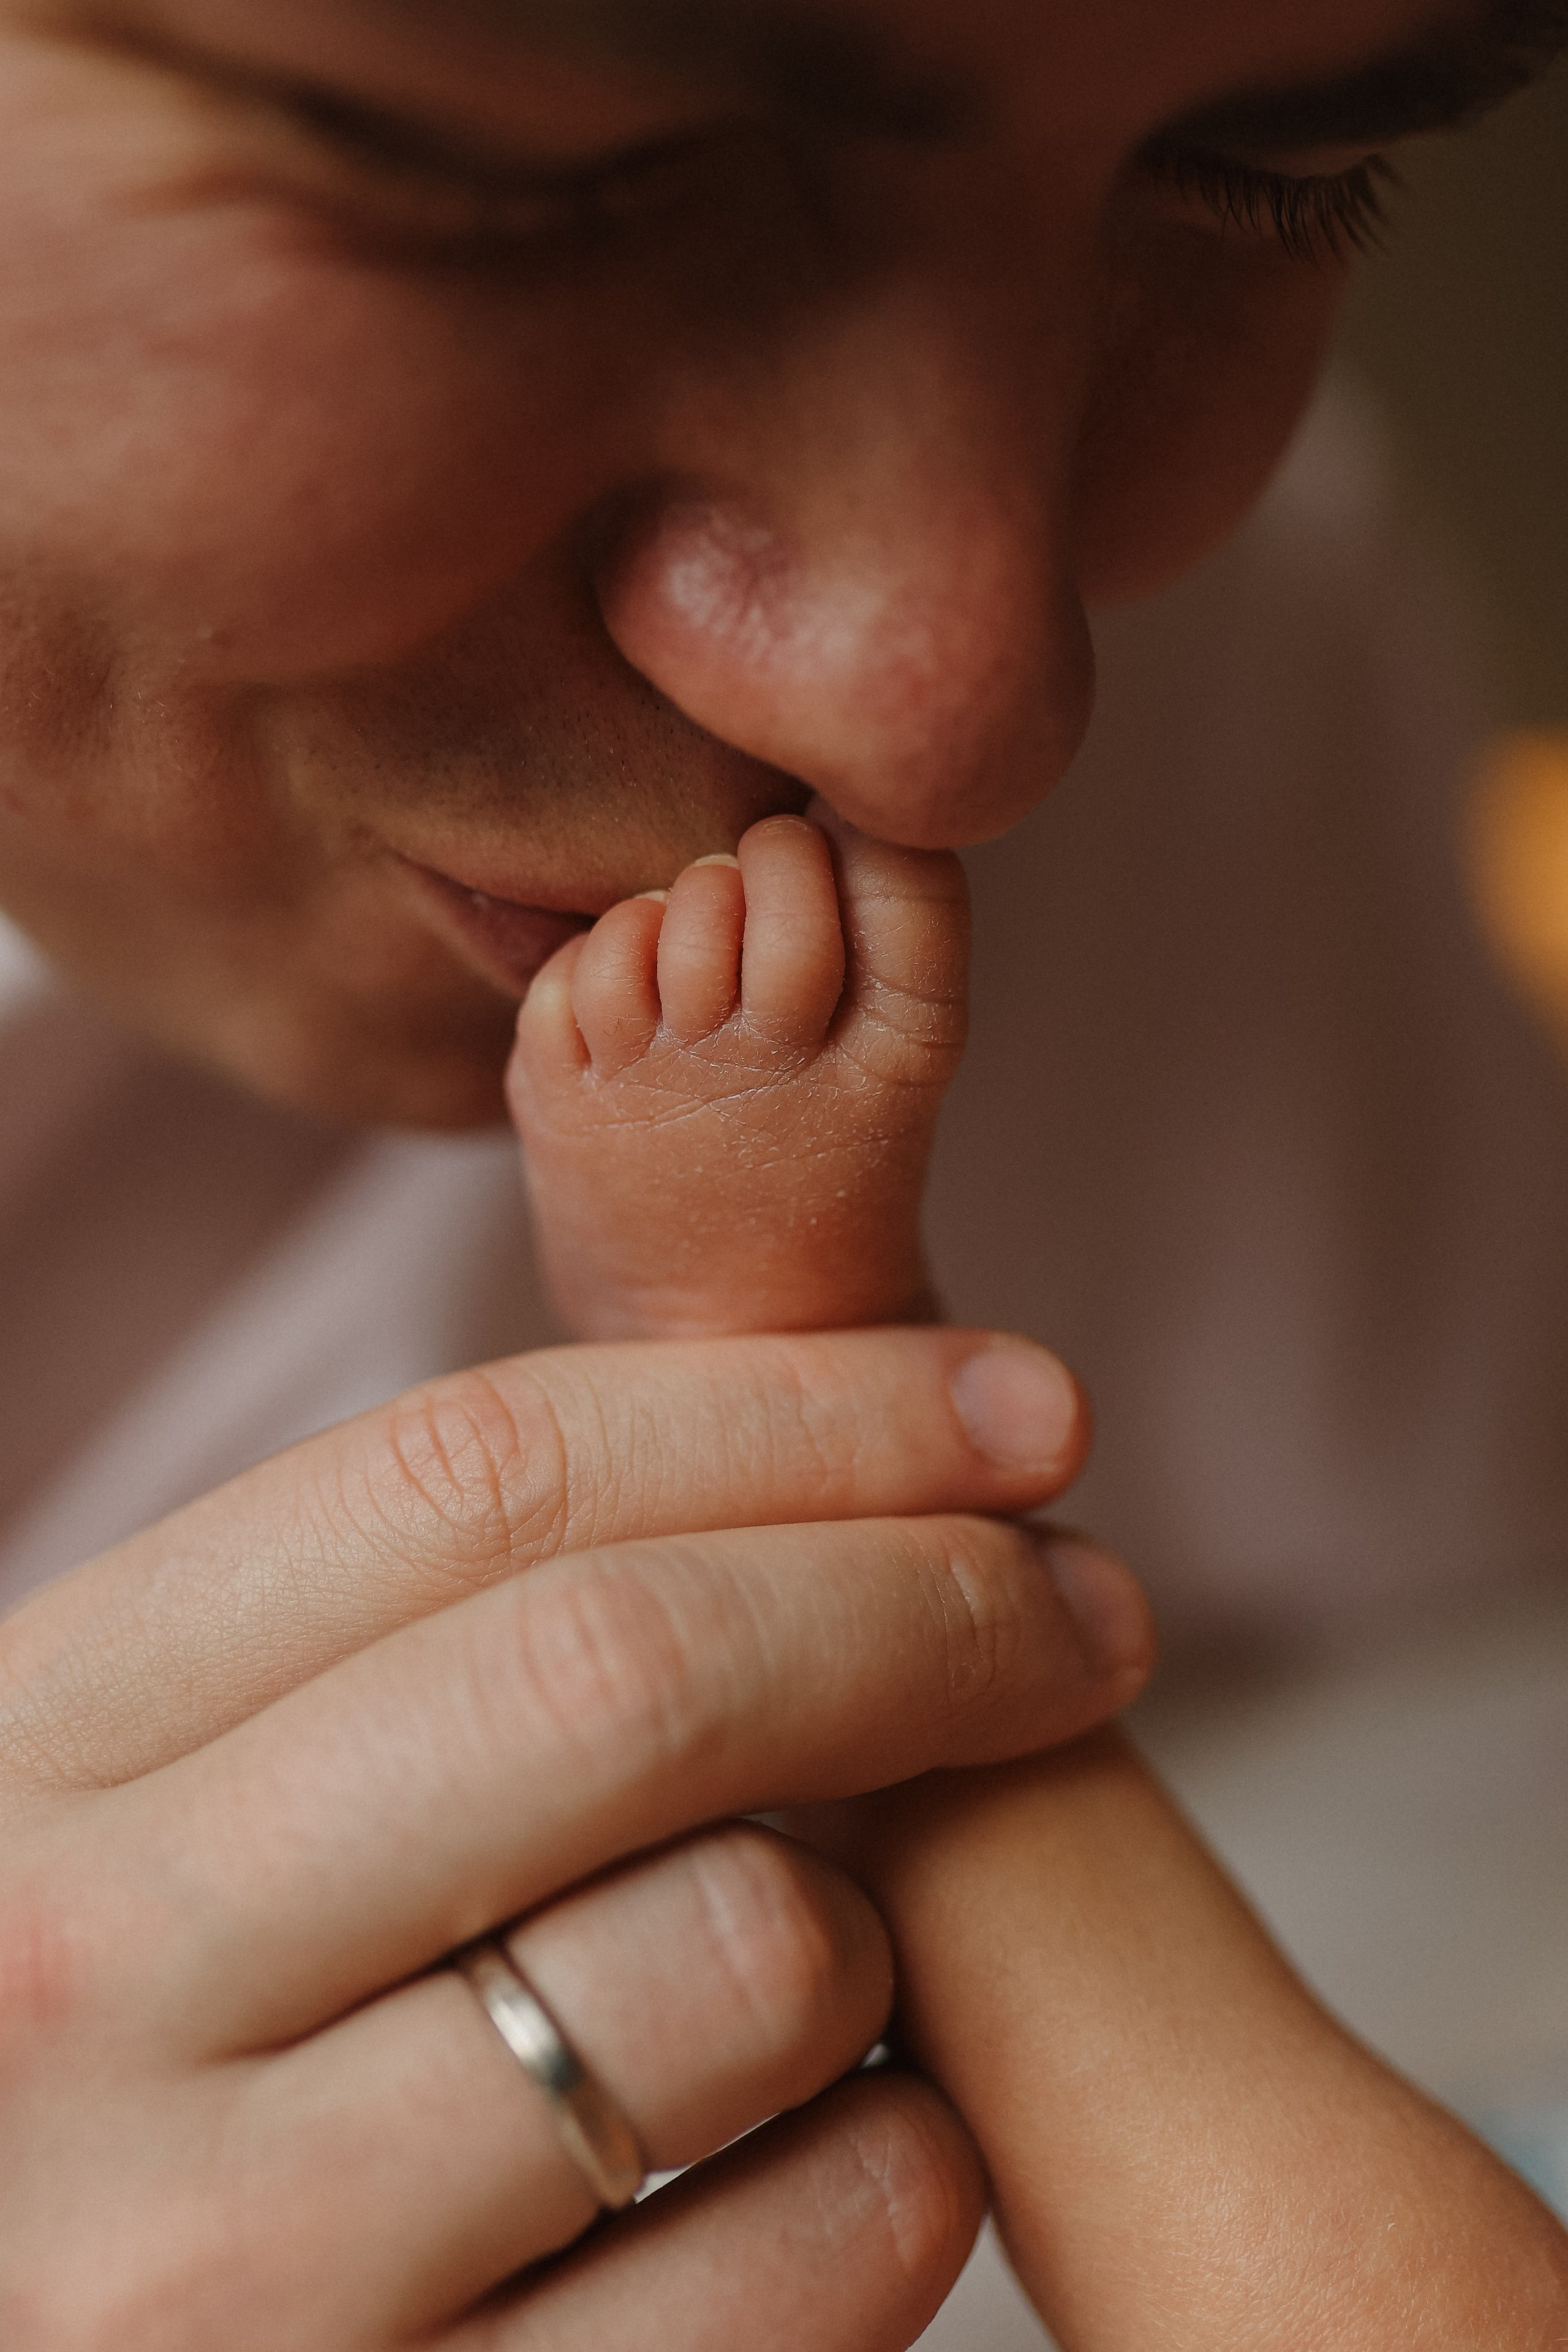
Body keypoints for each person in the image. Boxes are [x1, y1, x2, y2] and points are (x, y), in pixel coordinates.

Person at [3, 1, 1568, 2344]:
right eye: (508, 191)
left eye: (1272, 174)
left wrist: (814, 1430)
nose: (968, 703)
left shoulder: (1243, 676)